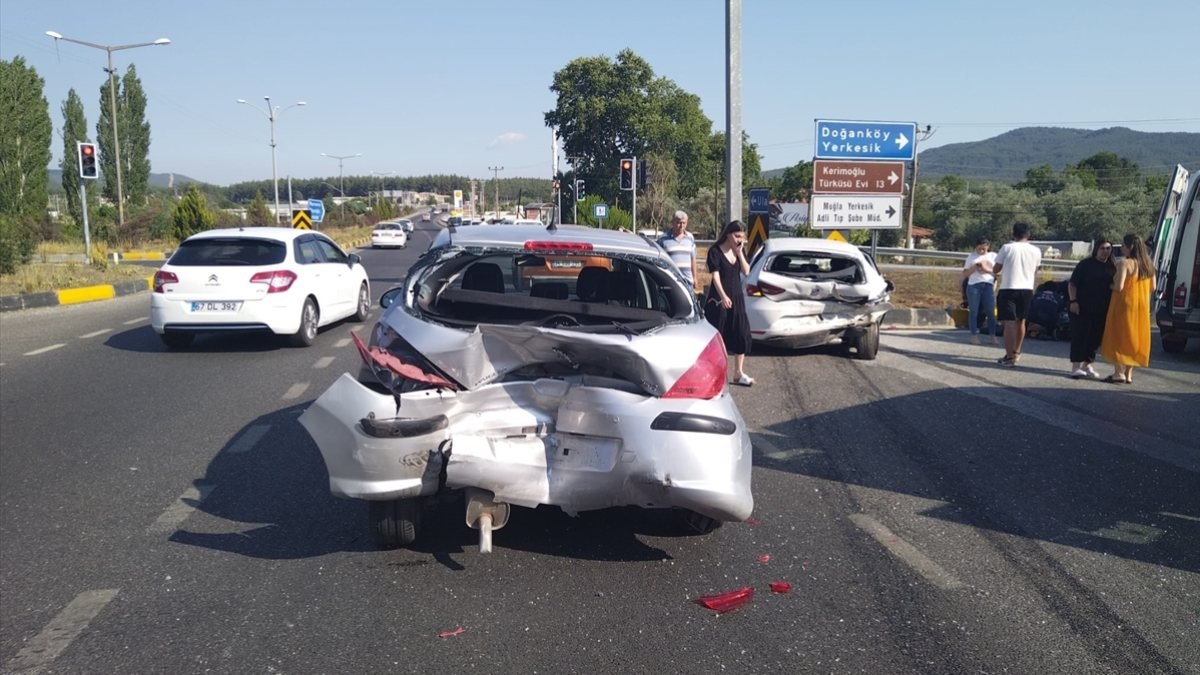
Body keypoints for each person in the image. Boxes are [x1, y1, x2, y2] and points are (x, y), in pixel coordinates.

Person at [1099, 234, 1156, 384]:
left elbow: (1119, 286)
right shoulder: (1149, 265)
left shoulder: (1125, 264)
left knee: (1117, 335)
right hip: (1142, 306)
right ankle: (1129, 373)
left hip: (1124, 304)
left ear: (1130, 247)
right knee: (1134, 337)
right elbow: (1153, 287)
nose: (1122, 248)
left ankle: (1118, 372)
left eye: (1123, 245)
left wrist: (1109, 285)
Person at [704, 220, 754, 386]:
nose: (739, 239)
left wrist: (739, 253)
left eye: (742, 237)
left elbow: (746, 271)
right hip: (719, 299)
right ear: (728, 234)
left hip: (736, 297)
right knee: (718, 337)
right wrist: (723, 296)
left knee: (742, 332)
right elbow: (715, 276)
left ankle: (738, 373)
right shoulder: (715, 252)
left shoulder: (739, 250)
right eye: (736, 235)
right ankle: (713, 373)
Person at [992, 222, 1043, 366]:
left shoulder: (1007, 247)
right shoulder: (1036, 250)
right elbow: (1035, 270)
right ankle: (1017, 352)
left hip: (1009, 287)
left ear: (1014, 234)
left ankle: (1009, 356)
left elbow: (996, 269)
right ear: (1028, 234)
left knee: (1009, 323)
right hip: (1027, 289)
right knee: (1022, 321)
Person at [1066, 238, 1116, 378]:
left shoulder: (1112, 266)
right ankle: (1075, 366)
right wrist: (1073, 301)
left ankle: (1087, 365)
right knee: (1080, 336)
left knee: (1095, 338)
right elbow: (1072, 284)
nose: (1105, 251)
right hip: (1082, 306)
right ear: (1096, 250)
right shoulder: (1085, 264)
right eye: (1102, 248)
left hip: (1102, 308)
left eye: (1108, 248)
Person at [962, 237, 998, 345]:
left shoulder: (993, 256)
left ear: (988, 247)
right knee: (974, 311)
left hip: (988, 285)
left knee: (991, 312)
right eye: (979, 248)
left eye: (984, 249)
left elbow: (998, 273)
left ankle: (993, 335)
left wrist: (986, 269)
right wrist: (974, 268)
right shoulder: (971, 257)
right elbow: (965, 274)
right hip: (974, 285)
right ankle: (974, 335)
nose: (982, 251)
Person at [658, 210, 700, 293]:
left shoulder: (690, 238)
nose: (681, 226)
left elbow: (693, 259)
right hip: (671, 280)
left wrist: (695, 277)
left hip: (688, 281)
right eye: (679, 223)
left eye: (684, 223)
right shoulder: (663, 239)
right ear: (672, 223)